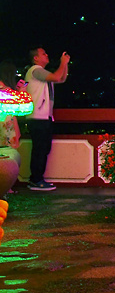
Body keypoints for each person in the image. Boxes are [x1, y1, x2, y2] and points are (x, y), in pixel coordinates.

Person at [24, 47, 70, 192]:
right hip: (37, 117)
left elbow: (61, 78)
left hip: (44, 117)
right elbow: (57, 77)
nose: (47, 55)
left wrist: (65, 64)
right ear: (36, 58)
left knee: (43, 148)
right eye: (43, 53)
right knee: (40, 149)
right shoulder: (35, 70)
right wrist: (62, 62)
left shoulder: (43, 73)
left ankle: (37, 179)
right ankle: (36, 180)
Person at [0, 61, 24, 198]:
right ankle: (6, 187)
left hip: (6, 123)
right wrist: (20, 93)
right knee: (8, 155)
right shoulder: (5, 90)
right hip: (5, 124)